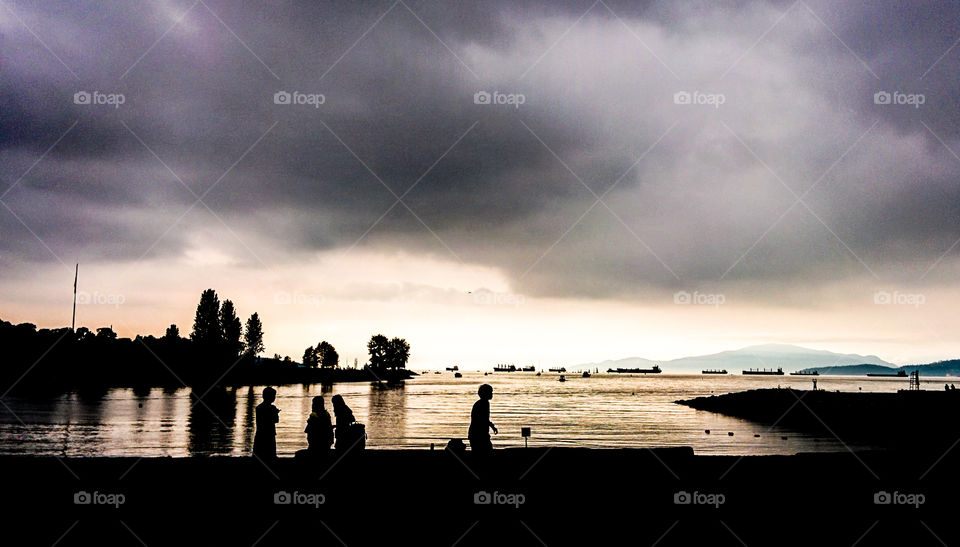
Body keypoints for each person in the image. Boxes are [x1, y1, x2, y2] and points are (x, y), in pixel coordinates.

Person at [469, 384, 498, 453]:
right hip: (478, 434)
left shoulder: (484, 403)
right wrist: (491, 426)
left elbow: (484, 419)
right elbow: (482, 419)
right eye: (490, 392)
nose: (492, 394)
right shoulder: (483, 404)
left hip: (479, 433)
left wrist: (492, 426)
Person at [253, 387, 279, 459]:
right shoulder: (272, 408)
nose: (274, 397)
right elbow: (276, 420)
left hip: (260, 433)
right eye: (273, 396)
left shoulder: (258, 407)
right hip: (269, 433)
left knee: (259, 454)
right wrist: (276, 413)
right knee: (270, 453)